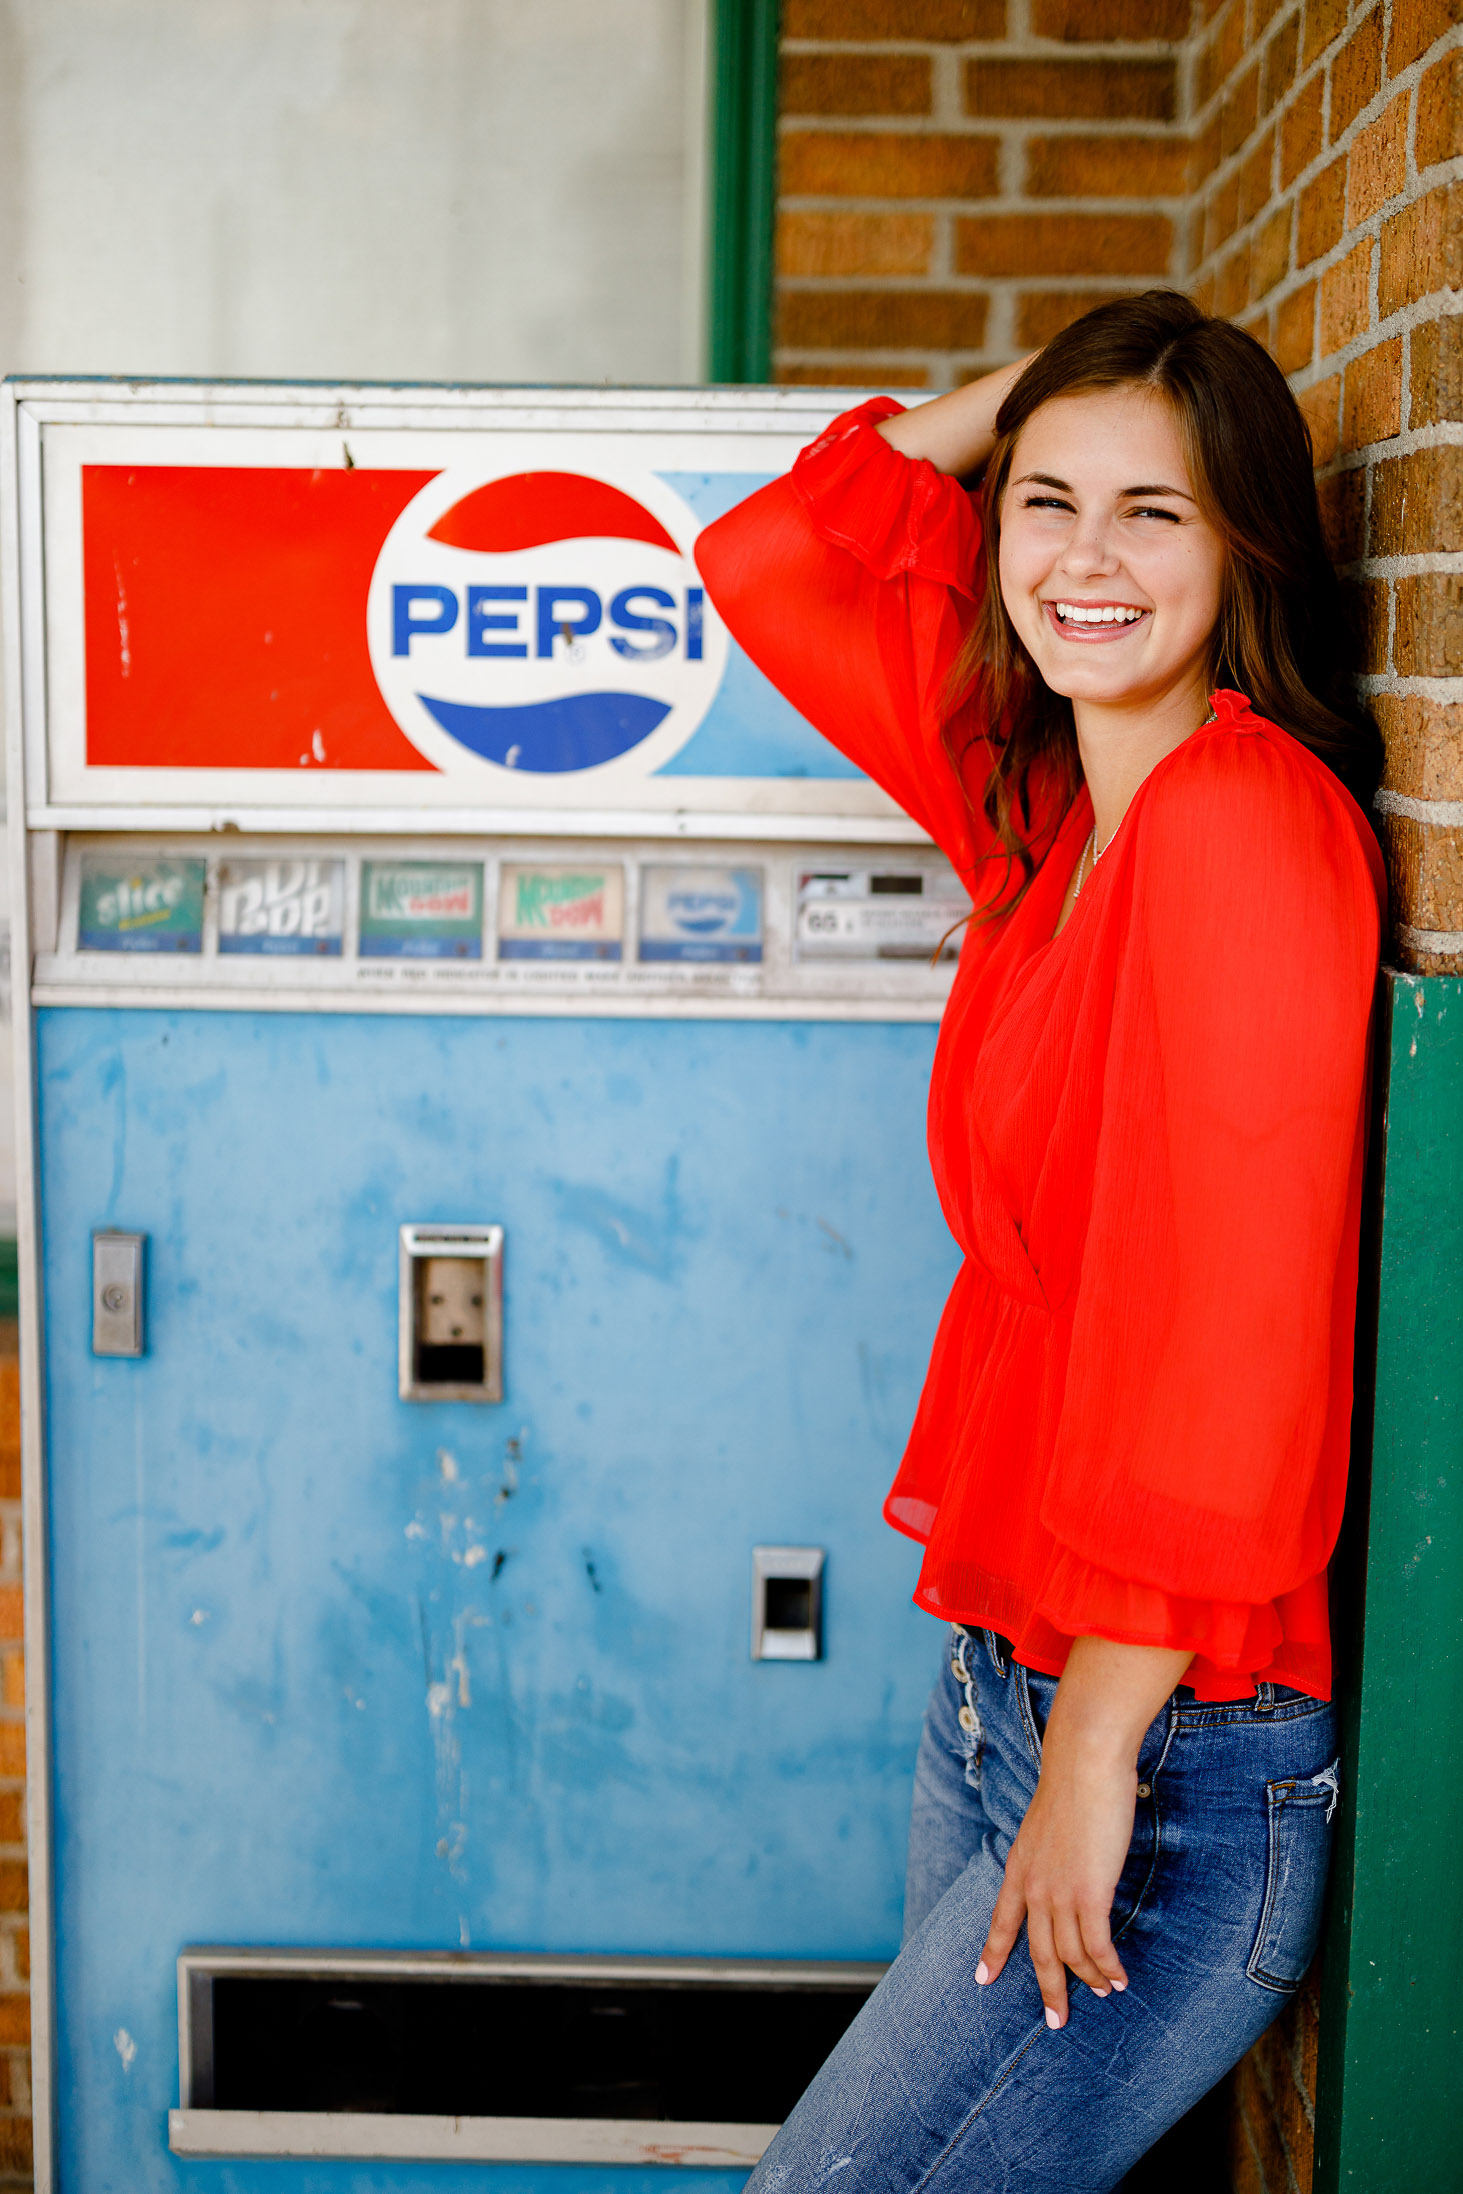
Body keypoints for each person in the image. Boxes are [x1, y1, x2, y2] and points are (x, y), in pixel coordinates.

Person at [694, 290, 1385, 2191]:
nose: (1086, 558)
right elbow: (768, 553)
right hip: (1009, 1690)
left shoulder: (1240, 823)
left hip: (1152, 1748)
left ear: (1248, 539)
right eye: (1045, 500)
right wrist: (1050, 379)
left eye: (1155, 509)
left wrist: (1093, 1758)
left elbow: (1226, 1335)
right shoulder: (1045, 819)